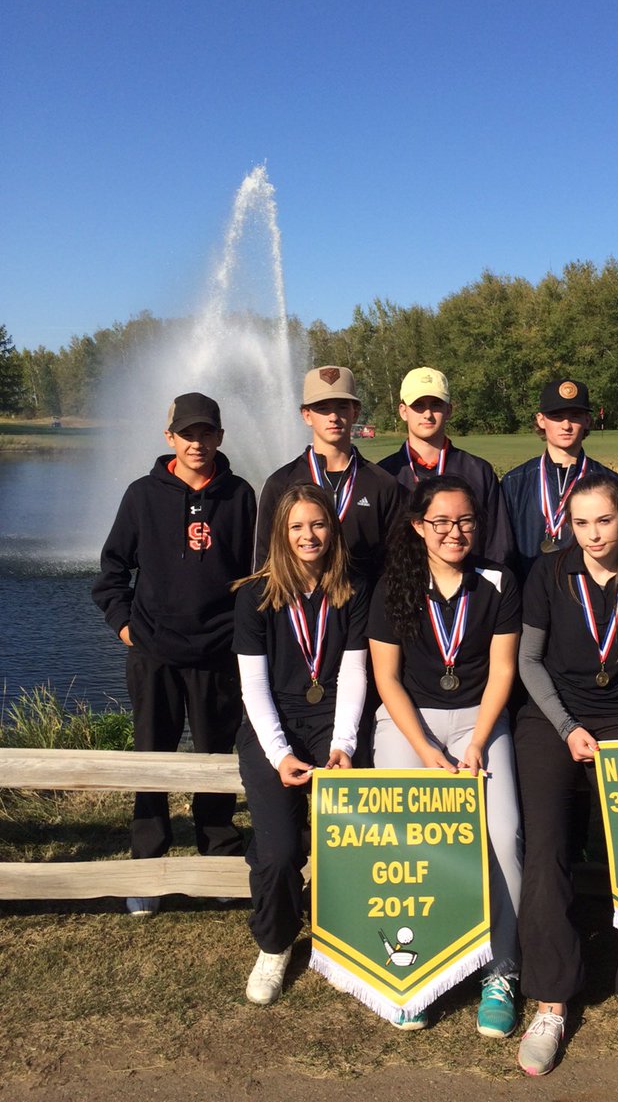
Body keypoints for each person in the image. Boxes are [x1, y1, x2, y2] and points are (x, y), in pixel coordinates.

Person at [514, 474, 618, 1082]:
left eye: (603, 521)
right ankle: (552, 1001)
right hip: (554, 720)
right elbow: (529, 660)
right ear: (568, 525)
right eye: (581, 523)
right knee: (547, 850)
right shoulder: (549, 573)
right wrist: (565, 728)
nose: (593, 534)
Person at [368, 475, 523, 1036]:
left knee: (503, 836)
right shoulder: (394, 585)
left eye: (465, 521)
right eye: (441, 522)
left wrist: (477, 742)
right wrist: (426, 748)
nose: (455, 532)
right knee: (408, 838)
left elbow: (503, 671)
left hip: (480, 723)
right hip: (410, 724)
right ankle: (416, 969)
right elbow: (387, 679)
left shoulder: (499, 581)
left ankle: (502, 970)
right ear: (418, 527)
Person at [92, 392, 256, 915]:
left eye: (206, 433)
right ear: (170, 439)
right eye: (187, 434)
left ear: (220, 438)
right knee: (152, 754)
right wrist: (124, 626)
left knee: (214, 758)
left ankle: (219, 854)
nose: (196, 443)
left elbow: (257, 576)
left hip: (219, 653)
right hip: (154, 651)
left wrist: (246, 634)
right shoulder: (142, 495)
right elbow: (112, 569)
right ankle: (148, 865)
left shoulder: (241, 495)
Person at [232, 483, 368, 1005]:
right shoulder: (254, 595)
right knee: (282, 848)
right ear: (280, 535)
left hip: (336, 723)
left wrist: (344, 745)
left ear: (333, 530)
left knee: (352, 837)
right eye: (297, 527)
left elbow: (355, 675)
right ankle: (275, 944)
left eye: (318, 525)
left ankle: (344, 931)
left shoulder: (353, 587)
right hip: (275, 726)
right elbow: (253, 688)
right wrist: (280, 753)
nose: (308, 536)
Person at [254, 365, 403, 584]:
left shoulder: (382, 483)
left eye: (342, 407)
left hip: (364, 611)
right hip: (298, 611)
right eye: (322, 408)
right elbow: (265, 563)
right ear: (306, 415)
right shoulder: (281, 482)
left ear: (355, 412)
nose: (333, 416)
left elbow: (395, 563)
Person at [378, 366, 514, 565]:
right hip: (404, 587)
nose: (427, 414)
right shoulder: (385, 474)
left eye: (435, 404)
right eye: (418, 405)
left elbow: (497, 544)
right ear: (403, 411)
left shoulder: (478, 471)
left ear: (448, 410)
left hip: (468, 588)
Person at [500, 378, 618, 582]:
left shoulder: (613, 484)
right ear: (541, 420)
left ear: (587, 421)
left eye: (575, 416)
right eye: (557, 417)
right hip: (528, 597)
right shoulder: (514, 482)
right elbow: (504, 551)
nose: (566, 425)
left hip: (587, 599)